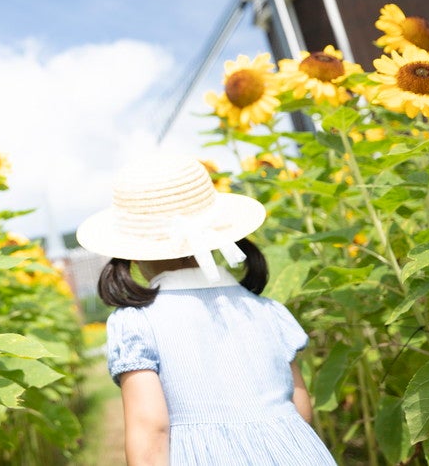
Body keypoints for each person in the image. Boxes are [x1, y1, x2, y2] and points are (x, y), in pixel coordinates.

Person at [76, 152, 337, 466]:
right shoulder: (270, 311)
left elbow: (150, 429)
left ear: (133, 252)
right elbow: (301, 409)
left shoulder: (137, 322)